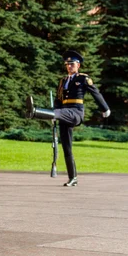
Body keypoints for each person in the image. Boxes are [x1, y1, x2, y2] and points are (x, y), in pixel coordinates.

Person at [26, 50, 110, 186]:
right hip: (63, 114)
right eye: (67, 64)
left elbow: (96, 93)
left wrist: (105, 109)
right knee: (67, 147)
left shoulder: (83, 79)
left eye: (72, 64)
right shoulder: (63, 81)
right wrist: (54, 113)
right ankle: (73, 178)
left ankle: (35, 112)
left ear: (78, 65)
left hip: (76, 113)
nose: (69, 66)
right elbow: (59, 101)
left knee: (57, 114)